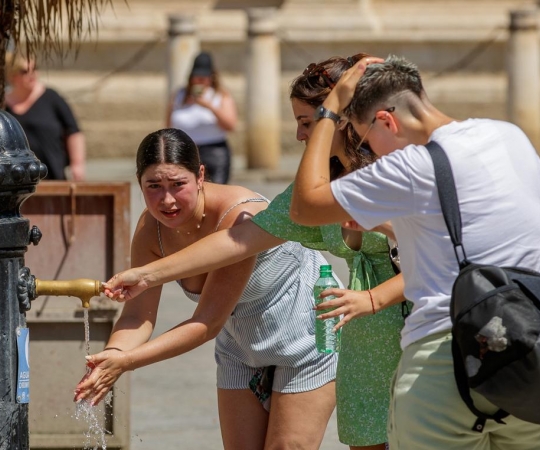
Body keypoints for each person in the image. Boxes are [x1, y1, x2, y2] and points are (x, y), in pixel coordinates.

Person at [100, 55, 407, 450]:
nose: (298, 136)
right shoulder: (312, 198)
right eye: (152, 186)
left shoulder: (398, 170)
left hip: (387, 328)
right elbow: (238, 241)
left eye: (306, 123)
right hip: (358, 341)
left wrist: (372, 294)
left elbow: (442, 256)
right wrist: (146, 276)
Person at [289, 55, 540, 449]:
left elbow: (305, 206)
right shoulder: (510, 137)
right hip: (530, 351)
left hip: (445, 358)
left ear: (387, 121)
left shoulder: (410, 167)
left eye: (364, 139)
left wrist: (329, 111)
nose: (372, 154)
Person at [73, 128, 338, 450]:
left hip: (306, 336)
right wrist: (111, 357)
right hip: (240, 345)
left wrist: (128, 362)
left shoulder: (238, 215)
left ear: (200, 175)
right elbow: (137, 315)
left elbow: (206, 323)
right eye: (153, 187)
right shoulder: (150, 229)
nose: (166, 200)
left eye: (177, 185)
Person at [4, 53, 86, 181]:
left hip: (53, 177)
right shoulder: (3, 106)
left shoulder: (52, 98)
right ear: (12, 75)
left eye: (35, 68)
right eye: (24, 71)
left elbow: (73, 131)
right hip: (17, 180)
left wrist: (77, 164)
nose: (32, 74)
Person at [167, 52, 238, 184]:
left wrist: (209, 106)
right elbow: (168, 125)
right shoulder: (179, 95)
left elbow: (231, 125)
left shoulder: (220, 95)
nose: (200, 80)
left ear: (211, 77)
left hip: (214, 152)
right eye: (196, 76)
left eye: (204, 77)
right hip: (185, 150)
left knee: (216, 193)